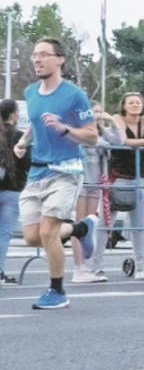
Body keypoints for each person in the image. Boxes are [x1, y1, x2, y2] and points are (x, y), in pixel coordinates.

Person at [12, 37, 99, 309]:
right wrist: (23, 141)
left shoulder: (74, 95)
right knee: (32, 237)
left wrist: (65, 129)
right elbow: (36, 121)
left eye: (43, 54)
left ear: (60, 59)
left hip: (66, 169)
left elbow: (92, 136)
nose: (37, 59)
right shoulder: (30, 92)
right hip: (37, 172)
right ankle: (81, 228)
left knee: (49, 231)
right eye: (34, 55)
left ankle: (57, 291)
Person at [110, 92, 144, 280]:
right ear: (124, 106)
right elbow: (125, 141)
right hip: (117, 176)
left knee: (139, 225)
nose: (135, 105)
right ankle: (94, 266)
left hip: (139, 175)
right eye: (131, 102)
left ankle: (142, 268)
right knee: (106, 223)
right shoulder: (118, 119)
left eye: (138, 102)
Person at [71, 101, 123, 283]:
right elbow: (89, 141)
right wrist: (101, 138)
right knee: (78, 225)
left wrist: (113, 122)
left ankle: (87, 266)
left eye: (100, 111)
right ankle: (78, 267)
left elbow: (118, 142)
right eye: (94, 112)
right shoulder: (80, 131)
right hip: (80, 182)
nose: (98, 115)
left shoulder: (101, 131)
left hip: (96, 183)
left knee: (89, 226)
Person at [0, 99, 29, 284]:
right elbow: (28, 163)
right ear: (12, 115)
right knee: (3, 234)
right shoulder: (20, 136)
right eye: (17, 112)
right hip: (12, 189)